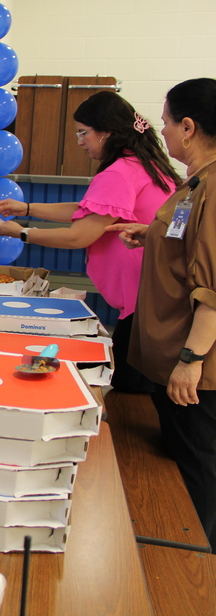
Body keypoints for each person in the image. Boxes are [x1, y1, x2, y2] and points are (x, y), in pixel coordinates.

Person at [0, 91, 179, 393]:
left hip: (144, 296)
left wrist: (20, 232)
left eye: (83, 133)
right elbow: (91, 209)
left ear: (106, 133)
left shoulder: (121, 172)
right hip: (155, 291)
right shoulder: (142, 163)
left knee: (132, 389)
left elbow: (80, 234)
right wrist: (27, 209)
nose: (79, 141)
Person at [107, 78, 216, 550]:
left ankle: (197, 559)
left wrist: (192, 360)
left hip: (192, 368)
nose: (164, 132)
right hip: (170, 357)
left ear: (188, 127)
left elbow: (211, 289)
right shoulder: (195, 182)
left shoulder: (214, 186)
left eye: (168, 122)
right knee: (180, 457)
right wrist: (146, 234)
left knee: (200, 469)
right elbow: (182, 238)